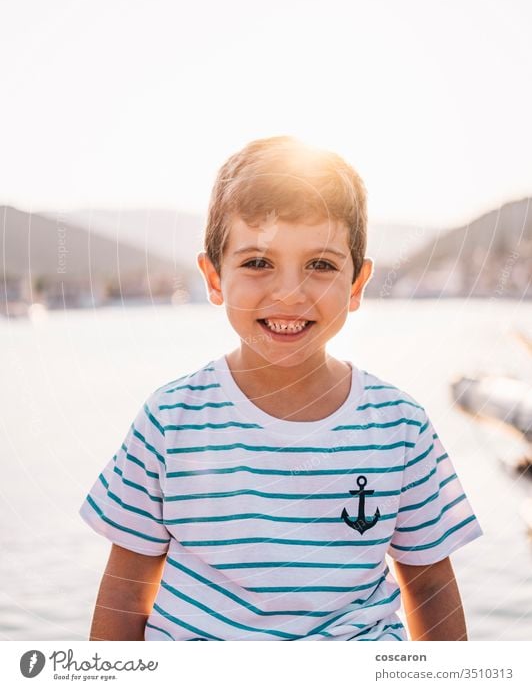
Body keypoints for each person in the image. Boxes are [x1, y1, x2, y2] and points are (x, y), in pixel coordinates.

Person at [80, 135, 483, 641]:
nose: (289, 292)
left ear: (356, 284)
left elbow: (431, 587)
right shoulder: (171, 419)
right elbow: (125, 588)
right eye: (257, 263)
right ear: (214, 277)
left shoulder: (399, 426)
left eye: (320, 265)